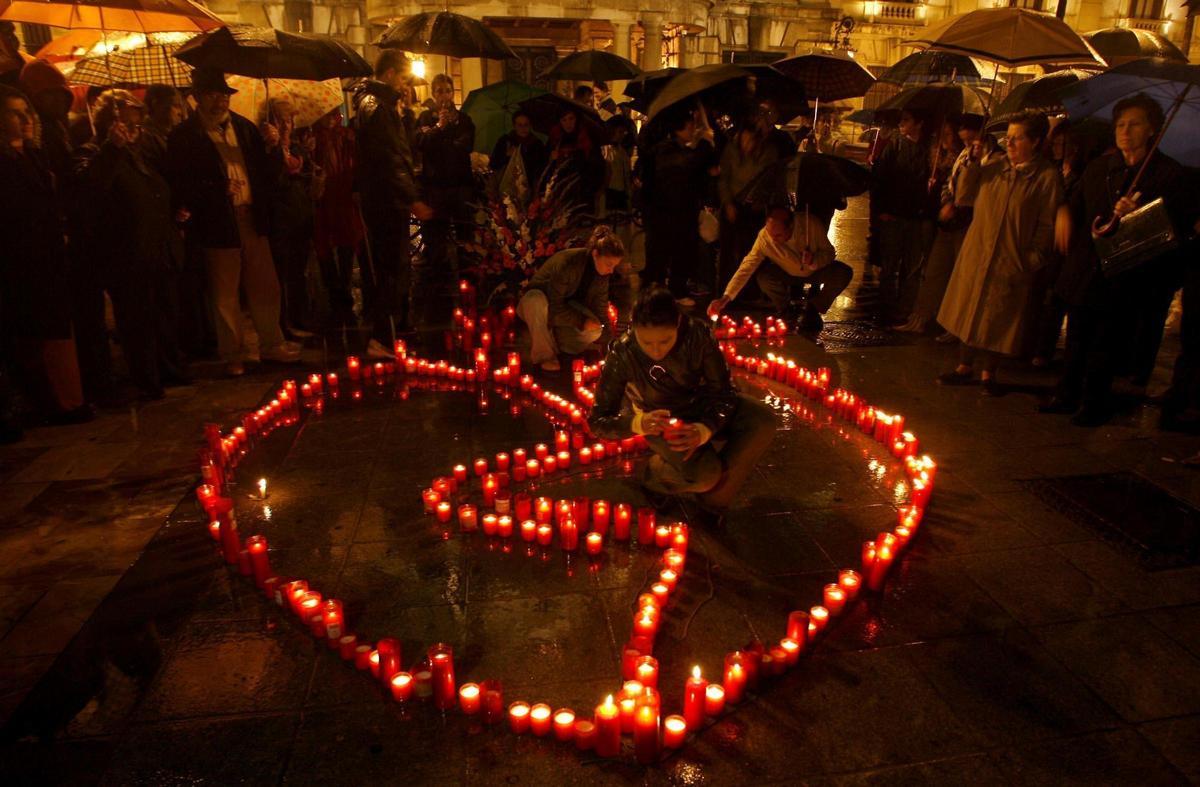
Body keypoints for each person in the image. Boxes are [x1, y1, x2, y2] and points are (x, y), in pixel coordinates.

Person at [1041, 94, 1195, 426]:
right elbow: (1076, 201)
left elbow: (1175, 227)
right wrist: (1065, 213)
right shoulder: (1101, 167)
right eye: (1120, 124)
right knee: (1077, 335)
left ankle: (1094, 401)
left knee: (1106, 341)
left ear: (1152, 129)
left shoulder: (1169, 175)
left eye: (1134, 124)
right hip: (1086, 267)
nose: (1125, 131)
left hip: (1125, 273)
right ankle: (1067, 393)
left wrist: (1140, 215)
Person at [588, 287, 776, 520]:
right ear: (634, 329)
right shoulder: (623, 353)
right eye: (646, 342)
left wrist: (705, 429)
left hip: (704, 406)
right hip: (660, 421)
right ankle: (653, 476)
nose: (656, 350)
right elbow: (598, 421)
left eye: (665, 341)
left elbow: (724, 392)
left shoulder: (698, 335)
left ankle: (715, 499)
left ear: (678, 323)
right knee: (705, 475)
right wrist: (639, 423)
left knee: (763, 421)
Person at [167, 68, 300, 376]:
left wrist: (272, 146)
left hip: (251, 217)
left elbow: (268, 176)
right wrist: (214, 190)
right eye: (212, 96)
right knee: (225, 292)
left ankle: (271, 343)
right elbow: (179, 182)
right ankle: (234, 352)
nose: (219, 102)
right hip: (217, 223)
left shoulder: (245, 129)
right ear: (197, 98)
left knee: (265, 285)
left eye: (223, 95)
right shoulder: (185, 136)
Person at [937, 111, 1063, 395]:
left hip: (1011, 255)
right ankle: (963, 366)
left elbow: (1046, 223)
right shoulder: (993, 166)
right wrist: (971, 161)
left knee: (998, 316)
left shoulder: (1045, 177)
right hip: (979, 250)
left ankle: (987, 373)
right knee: (969, 308)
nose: (1011, 143)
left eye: (1018, 138)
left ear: (1035, 141)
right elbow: (964, 195)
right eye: (1009, 137)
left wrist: (1033, 257)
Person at [78, 89, 187, 400]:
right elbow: (92, 188)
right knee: (138, 320)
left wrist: (175, 211)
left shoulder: (141, 156)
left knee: (164, 314)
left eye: (138, 127)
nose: (134, 133)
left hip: (158, 250)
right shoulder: (94, 153)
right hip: (127, 255)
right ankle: (147, 378)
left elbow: (157, 191)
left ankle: (169, 369)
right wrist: (111, 150)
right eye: (127, 126)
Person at [0, 84, 91, 424]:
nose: (24, 120)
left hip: (49, 257)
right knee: (36, 338)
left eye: (27, 113)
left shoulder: (35, 156)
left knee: (58, 333)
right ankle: (53, 402)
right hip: (21, 261)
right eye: (14, 113)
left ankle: (69, 398)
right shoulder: (5, 163)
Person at [352, 50, 433, 358]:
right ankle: (381, 337)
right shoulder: (376, 108)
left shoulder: (385, 106)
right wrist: (412, 199)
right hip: (385, 201)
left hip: (386, 199)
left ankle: (394, 328)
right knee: (391, 268)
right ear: (388, 74)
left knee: (396, 267)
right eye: (402, 77)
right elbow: (390, 159)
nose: (404, 84)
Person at [897, 116, 981, 336]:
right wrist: (945, 198)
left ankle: (951, 326)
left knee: (957, 277)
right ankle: (921, 318)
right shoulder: (955, 155)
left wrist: (954, 203)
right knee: (933, 272)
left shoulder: (980, 156)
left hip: (963, 224)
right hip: (942, 221)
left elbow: (972, 190)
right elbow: (950, 184)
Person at [707, 207, 853, 332]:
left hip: (815, 271)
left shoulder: (810, 224)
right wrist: (726, 298)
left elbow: (829, 252)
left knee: (843, 272)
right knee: (764, 276)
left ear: (790, 227)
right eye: (771, 235)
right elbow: (747, 266)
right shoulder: (765, 237)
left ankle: (814, 308)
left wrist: (814, 261)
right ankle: (786, 309)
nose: (774, 240)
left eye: (778, 235)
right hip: (786, 272)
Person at [517, 226, 623, 372]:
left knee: (595, 330)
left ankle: (557, 344)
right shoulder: (568, 263)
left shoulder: (602, 276)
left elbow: (601, 310)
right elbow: (554, 306)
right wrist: (582, 321)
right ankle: (545, 356)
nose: (611, 270)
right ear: (595, 254)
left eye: (614, 266)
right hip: (539, 304)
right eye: (609, 264)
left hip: (564, 312)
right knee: (536, 301)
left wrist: (611, 346)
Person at [640, 106, 717, 305]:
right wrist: (704, 145)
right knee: (660, 253)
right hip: (664, 212)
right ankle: (653, 293)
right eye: (690, 124)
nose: (693, 128)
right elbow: (685, 168)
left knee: (683, 251)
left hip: (684, 211)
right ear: (678, 128)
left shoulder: (682, 149)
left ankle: (677, 289)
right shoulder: (666, 150)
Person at [415, 73, 476, 308]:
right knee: (435, 241)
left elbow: (463, 148)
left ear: (453, 93)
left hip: (460, 187)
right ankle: (436, 294)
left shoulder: (464, 120)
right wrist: (439, 128)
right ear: (433, 94)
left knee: (464, 239)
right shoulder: (425, 118)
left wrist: (439, 141)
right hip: (435, 189)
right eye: (438, 90)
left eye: (446, 90)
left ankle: (467, 289)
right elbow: (420, 143)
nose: (443, 95)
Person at [872, 109, 933, 322]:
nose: (901, 124)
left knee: (912, 266)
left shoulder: (929, 150)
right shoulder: (895, 146)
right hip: (894, 215)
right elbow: (880, 179)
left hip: (916, 216)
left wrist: (931, 186)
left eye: (907, 120)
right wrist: (882, 210)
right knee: (890, 264)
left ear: (919, 123)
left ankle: (904, 308)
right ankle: (885, 307)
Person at [266, 95, 316, 339]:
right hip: (281, 215)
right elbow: (274, 177)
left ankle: (301, 317)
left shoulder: (296, 144)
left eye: (290, 118)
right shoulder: (267, 145)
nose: (287, 123)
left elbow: (302, 169)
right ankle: (283, 324)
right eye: (282, 118)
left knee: (299, 269)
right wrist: (276, 147)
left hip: (300, 213)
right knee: (282, 272)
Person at [311, 108, 363, 332]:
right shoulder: (312, 137)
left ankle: (344, 291)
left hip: (343, 196)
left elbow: (356, 162)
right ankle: (334, 295)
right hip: (324, 198)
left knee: (346, 245)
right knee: (325, 248)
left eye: (335, 115)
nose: (333, 119)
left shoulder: (346, 135)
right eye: (328, 115)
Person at [717, 112, 778, 290]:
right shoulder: (731, 150)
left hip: (754, 206)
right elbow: (724, 179)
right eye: (744, 140)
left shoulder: (767, 152)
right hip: (733, 204)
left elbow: (770, 178)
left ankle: (748, 290)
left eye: (751, 141)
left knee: (751, 252)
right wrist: (727, 203)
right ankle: (724, 289)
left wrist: (761, 200)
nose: (747, 145)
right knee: (727, 251)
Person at [548, 106, 603, 211]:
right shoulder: (556, 138)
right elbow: (549, 169)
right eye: (564, 120)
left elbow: (596, 167)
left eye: (571, 118)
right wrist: (552, 159)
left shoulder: (586, 138)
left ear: (577, 119)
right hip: (561, 192)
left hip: (583, 191)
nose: (568, 123)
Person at [489, 109, 547, 189]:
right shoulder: (505, 141)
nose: (523, 128)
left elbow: (541, 168)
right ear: (514, 126)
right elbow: (493, 164)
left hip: (529, 188)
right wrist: (506, 156)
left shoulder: (537, 144)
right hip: (507, 187)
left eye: (526, 124)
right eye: (520, 125)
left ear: (530, 125)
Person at [138, 85, 185, 178]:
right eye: (176, 106)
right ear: (156, 104)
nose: (181, 112)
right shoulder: (145, 137)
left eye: (181, 107)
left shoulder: (174, 134)